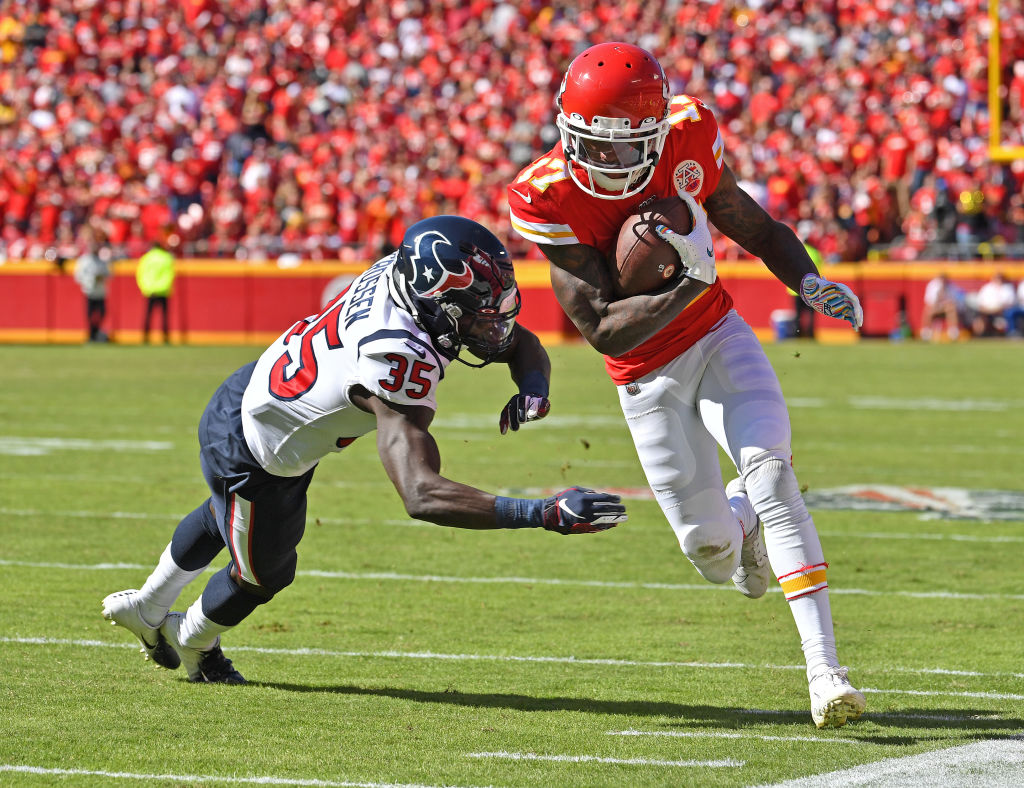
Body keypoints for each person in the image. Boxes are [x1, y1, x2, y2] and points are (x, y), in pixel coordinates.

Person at [507, 42, 865, 728]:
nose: (604, 161)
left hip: (718, 336)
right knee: (710, 552)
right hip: (644, 376)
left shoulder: (688, 132)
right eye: (592, 146)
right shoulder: (546, 192)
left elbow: (750, 222)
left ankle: (826, 673)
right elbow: (605, 329)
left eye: (621, 148)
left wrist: (808, 279)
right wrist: (693, 274)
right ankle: (742, 523)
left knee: (772, 470)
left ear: (655, 133)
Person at [101, 216, 626, 683]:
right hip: (258, 447)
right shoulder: (396, 353)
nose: (491, 321)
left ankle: (146, 608)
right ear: (436, 304)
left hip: (253, 392)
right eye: (474, 312)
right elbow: (421, 493)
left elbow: (514, 342)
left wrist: (533, 384)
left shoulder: (405, 276)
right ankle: (194, 644)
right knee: (265, 572)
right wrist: (540, 513)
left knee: (228, 518)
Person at [73, 226, 112, 343]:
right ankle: (92, 334)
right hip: (90, 291)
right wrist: (91, 280)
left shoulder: (102, 260)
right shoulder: (84, 260)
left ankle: (97, 332)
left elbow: (109, 273)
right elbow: (78, 276)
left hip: (100, 292)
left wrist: (101, 277)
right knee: (90, 315)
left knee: (101, 313)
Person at [136, 239, 176, 343]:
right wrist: (166, 287)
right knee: (164, 316)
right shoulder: (166, 258)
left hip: (150, 290)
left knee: (148, 315)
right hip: (163, 289)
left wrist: (145, 287)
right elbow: (170, 274)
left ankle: (145, 337)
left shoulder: (146, 258)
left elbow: (141, 274)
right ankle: (166, 337)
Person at [920, 272, 964, 341]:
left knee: (951, 309)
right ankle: (926, 333)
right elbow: (929, 302)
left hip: (946, 309)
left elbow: (954, 301)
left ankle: (953, 333)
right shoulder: (932, 285)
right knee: (928, 310)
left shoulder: (951, 286)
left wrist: (945, 305)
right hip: (935, 308)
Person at [971, 271, 1016, 337]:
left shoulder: (1008, 288)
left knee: (1003, 321)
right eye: (997, 278)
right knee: (978, 319)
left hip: (1002, 313)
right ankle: (979, 336)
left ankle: (1009, 334)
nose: (998, 280)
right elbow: (980, 303)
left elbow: (1010, 303)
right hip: (986, 312)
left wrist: (998, 310)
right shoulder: (986, 288)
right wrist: (987, 310)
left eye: (1000, 278)